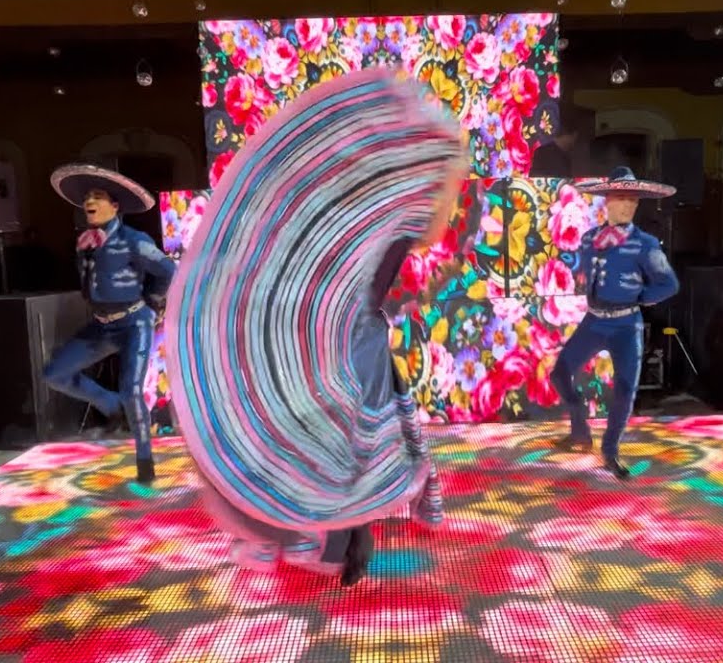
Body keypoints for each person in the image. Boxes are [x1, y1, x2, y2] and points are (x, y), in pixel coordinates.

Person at [164, 68, 466, 585]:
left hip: (357, 343)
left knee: (348, 448)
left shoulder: (387, 217)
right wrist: (444, 160)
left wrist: (443, 164)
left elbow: (420, 238)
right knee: (335, 447)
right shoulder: (369, 217)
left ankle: (347, 544)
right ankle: (343, 544)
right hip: (341, 343)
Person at [43, 164, 174, 483]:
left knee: (132, 390)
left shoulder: (134, 240)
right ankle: (109, 403)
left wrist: (155, 301)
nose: (90, 200)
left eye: (98, 196)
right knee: (54, 374)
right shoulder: (85, 241)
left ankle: (145, 462)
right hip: (101, 326)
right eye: (87, 196)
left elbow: (167, 270)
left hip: (133, 324)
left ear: (115, 206)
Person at [549, 166, 679, 479]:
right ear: (606, 202)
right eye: (621, 199)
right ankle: (580, 430)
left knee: (625, 389)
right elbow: (586, 271)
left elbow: (669, 284)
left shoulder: (645, 244)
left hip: (625, 325)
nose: (628, 205)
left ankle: (610, 451)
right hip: (594, 321)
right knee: (560, 373)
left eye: (632, 201)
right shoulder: (590, 238)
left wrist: (638, 297)